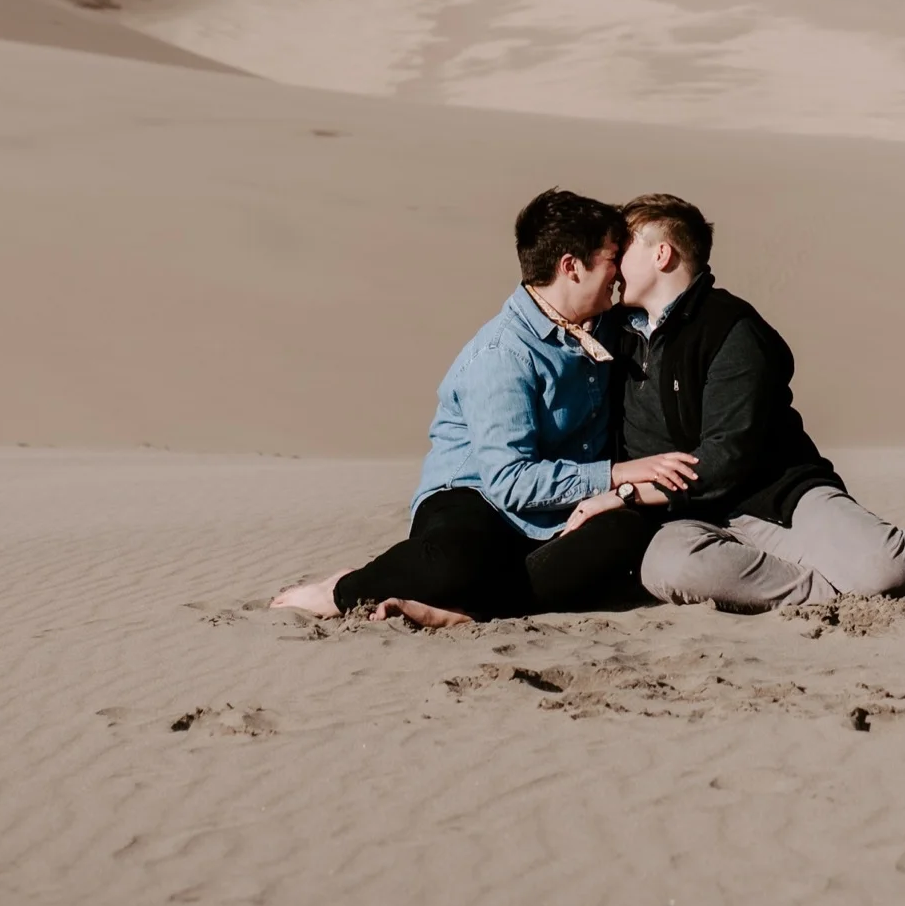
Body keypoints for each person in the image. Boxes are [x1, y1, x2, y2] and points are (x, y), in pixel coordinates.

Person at [558, 194, 905, 609]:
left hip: (774, 497)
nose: (612, 262)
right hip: (681, 516)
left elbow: (726, 457)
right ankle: (841, 592)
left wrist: (625, 493)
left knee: (885, 565)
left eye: (625, 247)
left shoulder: (732, 330)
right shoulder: (613, 333)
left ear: (662, 254)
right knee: (671, 569)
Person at [270, 189, 697, 628]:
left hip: (562, 509)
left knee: (625, 534)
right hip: (478, 501)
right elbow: (510, 482)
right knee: (455, 565)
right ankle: (344, 588)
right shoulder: (503, 354)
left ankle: (465, 608)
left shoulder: (608, 324)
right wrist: (615, 474)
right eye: (611, 257)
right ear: (571, 266)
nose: (620, 271)